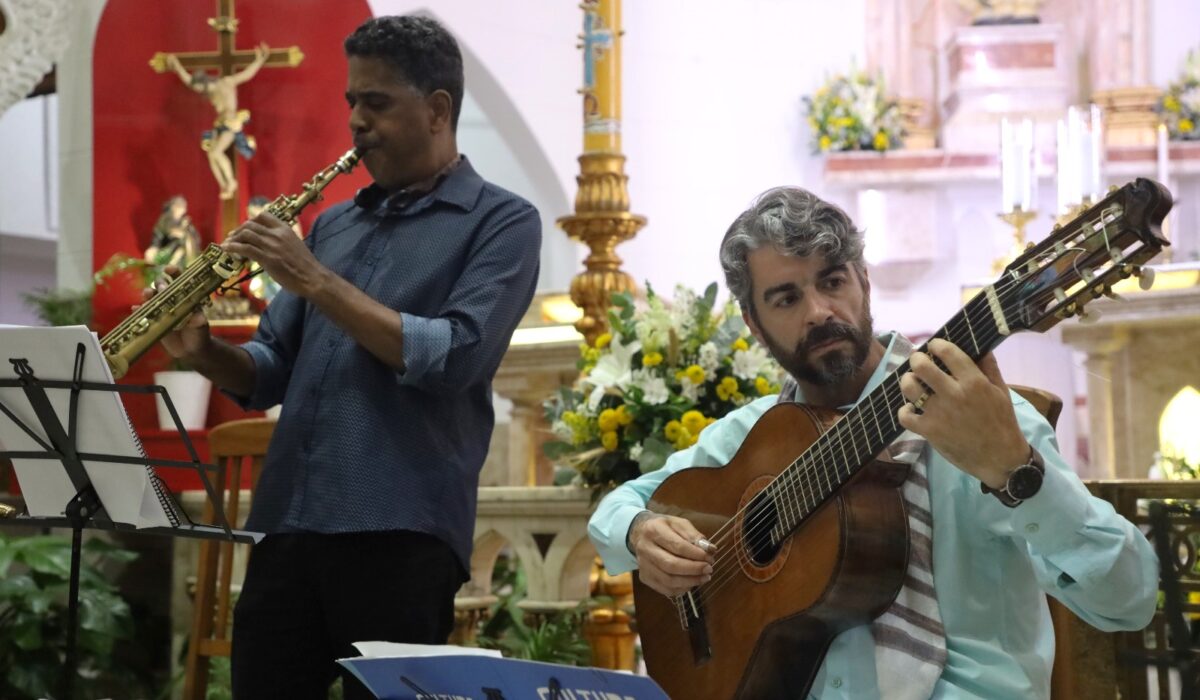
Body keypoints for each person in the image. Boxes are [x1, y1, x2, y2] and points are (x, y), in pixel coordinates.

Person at [587, 187, 1157, 699]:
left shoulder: (980, 420)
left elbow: (1129, 600)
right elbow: (619, 507)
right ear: (754, 325)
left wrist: (1016, 470)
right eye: (786, 299)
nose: (819, 312)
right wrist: (639, 533)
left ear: (863, 280)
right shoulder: (749, 435)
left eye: (832, 281)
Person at [149, 16, 541, 699]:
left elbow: (456, 356)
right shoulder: (334, 223)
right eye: (352, 102)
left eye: (377, 102)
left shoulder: (501, 221)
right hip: (287, 522)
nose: (357, 120)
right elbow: (270, 367)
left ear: (438, 110)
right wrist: (203, 350)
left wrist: (315, 280)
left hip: (400, 530)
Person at [165, 43, 270, 199]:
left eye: (204, 88)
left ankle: (231, 182)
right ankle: (224, 185)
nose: (204, 92)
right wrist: (177, 65)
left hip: (231, 123)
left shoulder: (226, 83)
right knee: (211, 155)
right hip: (219, 124)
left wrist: (259, 60)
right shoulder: (208, 89)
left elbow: (246, 75)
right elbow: (189, 81)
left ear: (207, 81)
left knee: (216, 152)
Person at [144, 194, 200, 268]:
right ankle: (171, 263)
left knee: (184, 242)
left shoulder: (185, 222)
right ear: (173, 207)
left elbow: (195, 237)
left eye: (183, 208)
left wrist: (184, 232)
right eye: (179, 207)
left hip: (184, 252)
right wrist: (154, 247)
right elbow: (158, 235)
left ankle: (179, 263)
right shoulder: (164, 220)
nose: (182, 210)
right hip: (168, 249)